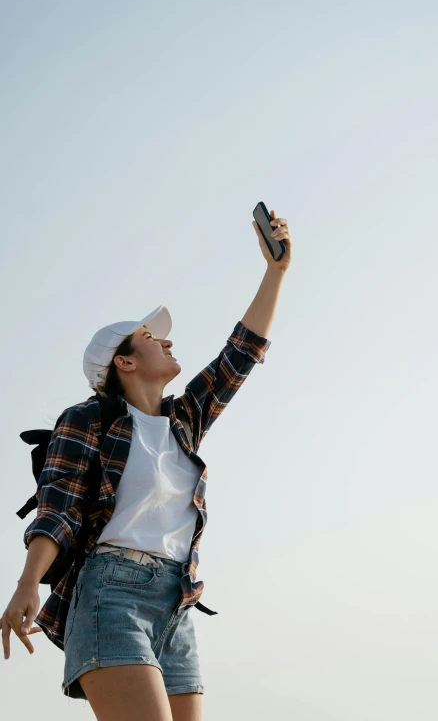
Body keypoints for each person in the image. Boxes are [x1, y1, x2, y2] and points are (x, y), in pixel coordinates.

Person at [1, 212, 291, 721]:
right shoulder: (88, 420)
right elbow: (59, 510)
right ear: (124, 362)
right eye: (151, 337)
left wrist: (277, 271)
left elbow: (241, 353)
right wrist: (28, 584)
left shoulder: (184, 420)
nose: (168, 341)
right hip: (111, 596)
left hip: (178, 603)